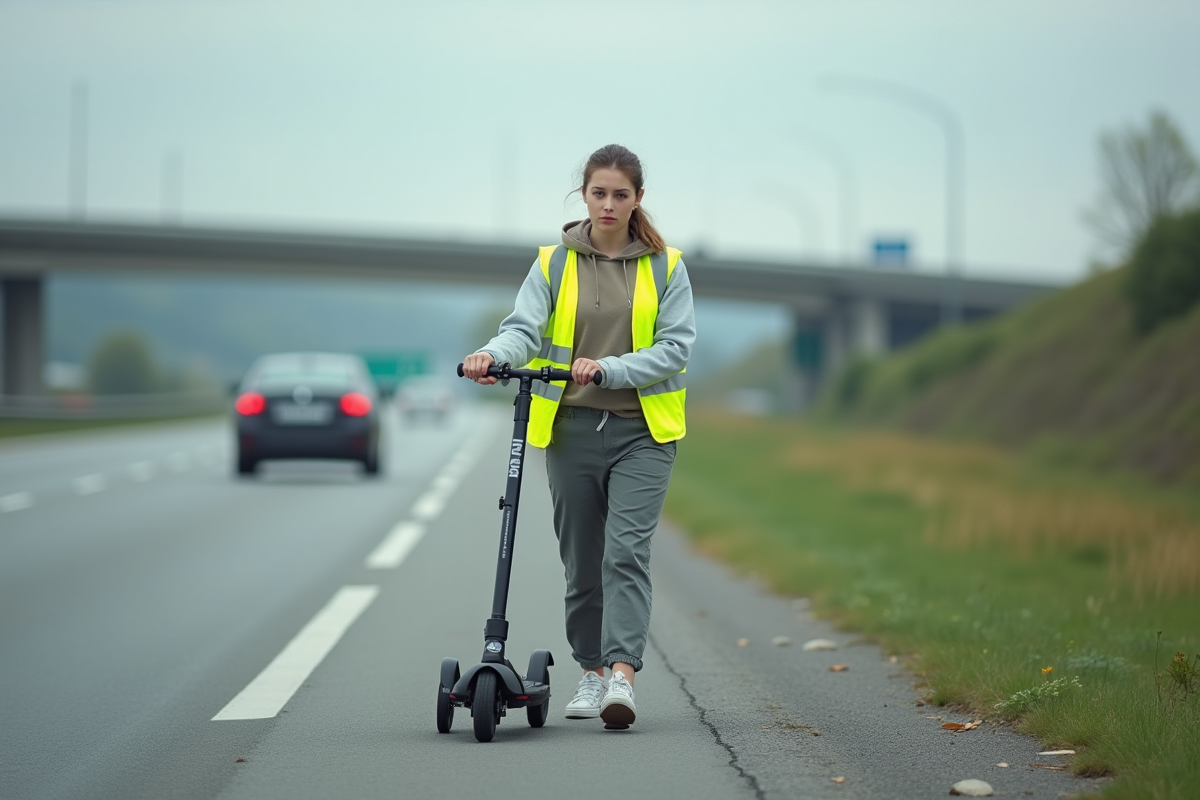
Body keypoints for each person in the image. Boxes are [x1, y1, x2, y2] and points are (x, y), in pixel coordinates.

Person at [461, 143, 695, 730]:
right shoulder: (553, 263)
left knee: (626, 553)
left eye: (620, 194)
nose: (608, 204)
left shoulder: (666, 266)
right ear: (583, 196)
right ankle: (590, 672)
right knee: (582, 561)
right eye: (599, 193)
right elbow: (523, 330)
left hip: (643, 431)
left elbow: (675, 348)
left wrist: (610, 368)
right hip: (571, 430)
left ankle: (622, 677)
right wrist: (490, 354)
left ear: (638, 198)